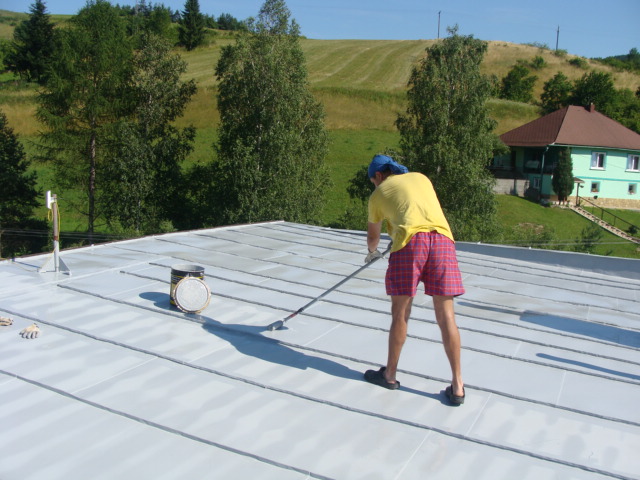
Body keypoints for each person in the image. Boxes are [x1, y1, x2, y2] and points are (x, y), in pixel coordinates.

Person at [363, 154, 466, 406]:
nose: (375, 185)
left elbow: (373, 236)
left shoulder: (378, 194)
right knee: (446, 315)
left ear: (378, 175)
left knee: (401, 313)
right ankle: (458, 386)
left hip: (409, 245)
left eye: (373, 181)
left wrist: (372, 252)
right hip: (443, 241)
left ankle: (389, 375)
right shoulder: (421, 178)